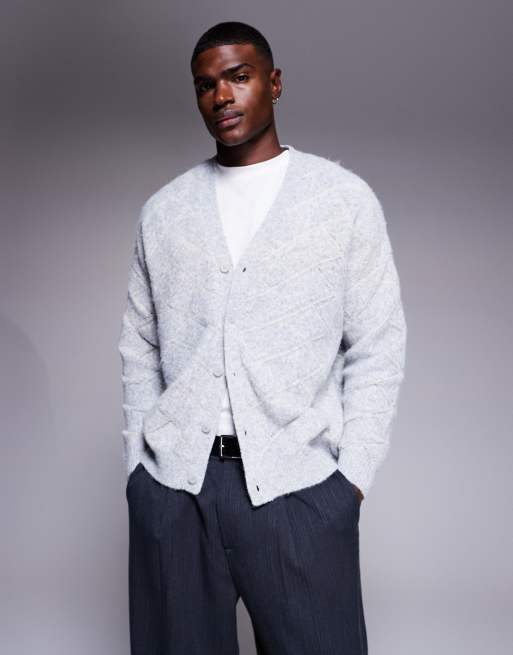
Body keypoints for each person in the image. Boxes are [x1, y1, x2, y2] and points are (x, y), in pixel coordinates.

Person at [118, 20, 407, 655]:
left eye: (239, 77)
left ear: (274, 84)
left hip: (298, 489)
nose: (221, 96)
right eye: (205, 85)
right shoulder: (164, 213)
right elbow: (140, 346)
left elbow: (378, 345)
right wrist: (140, 472)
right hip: (177, 492)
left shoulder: (341, 202)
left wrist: (351, 479)